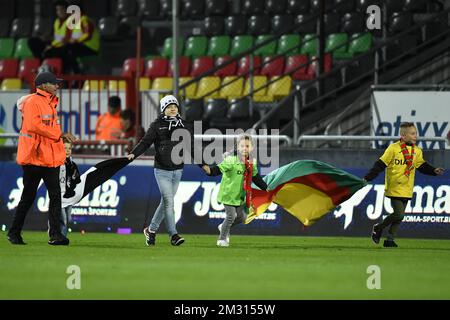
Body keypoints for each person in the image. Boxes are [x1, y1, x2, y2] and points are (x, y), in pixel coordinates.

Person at [7, 71, 77, 245]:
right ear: (43, 85)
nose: (57, 86)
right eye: (54, 83)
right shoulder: (33, 102)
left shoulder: (50, 103)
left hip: (49, 158)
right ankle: (14, 232)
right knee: (29, 196)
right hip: (34, 158)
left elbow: (46, 128)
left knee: (55, 196)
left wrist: (59, 143)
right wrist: (59, 134)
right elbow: (34, 126)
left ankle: (55, 235)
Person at [127, 95, 205, 247]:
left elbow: (191, 148)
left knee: (165, 203)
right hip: (162, 169)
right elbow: (145, 142)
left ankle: (151, 230)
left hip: (178, 170)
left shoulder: (184, 125)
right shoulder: (157, 125)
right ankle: (173, 235)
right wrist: (133, 154)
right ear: (163, 109)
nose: (173, 108)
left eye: (174, 106)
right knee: (169, 202)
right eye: (169, 106)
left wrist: (203, 165)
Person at [364, 122, 445, 248]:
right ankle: (378, 228)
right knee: (399, 214)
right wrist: (368, 178)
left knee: (399, 217)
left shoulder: (417, 151)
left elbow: (422, 166)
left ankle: (389, 240)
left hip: (407, 188)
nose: (415, 136)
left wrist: (433, 171)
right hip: (394, 187)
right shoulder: (393, 148)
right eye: (412, 134)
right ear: (403, 135)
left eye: (416, 133)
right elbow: (380, 164)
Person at [203, 135, 267, 247]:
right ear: (238, 147)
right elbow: (217, 170)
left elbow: (256, 177)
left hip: (241, 196)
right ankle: (222, 239)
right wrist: (209, 171)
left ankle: (223, 227)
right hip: (228, 194)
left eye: (247, 146)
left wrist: (265, 188)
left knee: (243, 218)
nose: (244, 148)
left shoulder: (252, 162)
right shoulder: (231, 160)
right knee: (231, 216)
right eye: (242, 146)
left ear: (252, 148)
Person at [59, 138, 80, 237]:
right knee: (63, 219)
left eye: (69, 148)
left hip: (69, 196)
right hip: (59, 195)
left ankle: (62, 236)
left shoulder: (72, 165)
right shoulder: (57, 163)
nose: (67, 150)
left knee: (68, 219)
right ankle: (60, 237)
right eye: (65, 148)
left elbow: (77, 179)